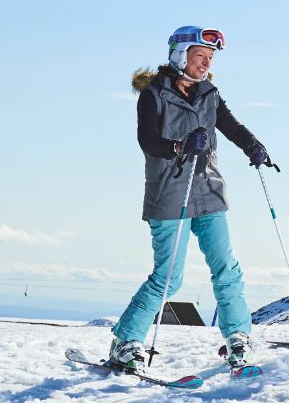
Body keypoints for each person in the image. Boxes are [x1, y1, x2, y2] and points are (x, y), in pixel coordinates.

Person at [107, 26, 277, 372]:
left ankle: (238, 338)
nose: (205, 64)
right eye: (200, 56)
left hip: (208, 191)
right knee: (169, 278)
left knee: (226, 268)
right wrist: (179, 146)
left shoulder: (209, 93)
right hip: (170, 194)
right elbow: (148, 141)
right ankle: (126, 340)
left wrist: (253, 146)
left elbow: (230, 125)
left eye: (210, 58)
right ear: (180, 55)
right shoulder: (154, 94)